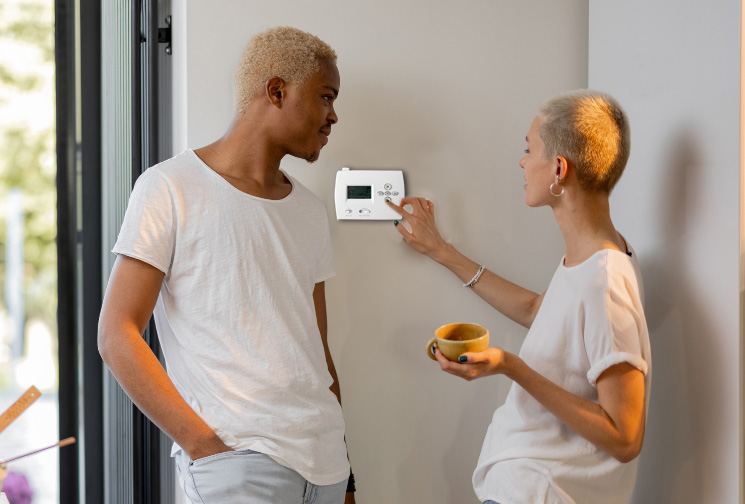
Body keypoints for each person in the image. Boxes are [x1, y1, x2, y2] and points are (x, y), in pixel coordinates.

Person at [98, 26, 355, 504]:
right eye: (325, 97)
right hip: (240, 465)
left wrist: (347, 474)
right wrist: (205, 448)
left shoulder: (310, 209)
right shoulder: (169, 187)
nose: (333, 116)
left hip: (327, 468)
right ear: (277, 90)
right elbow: (117, 334)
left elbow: (316, 351)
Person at [388, 90, 651, 504]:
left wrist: (512, 366)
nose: (522, 162)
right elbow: (537, 311)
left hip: (541, 491)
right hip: (526, 485)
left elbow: (624, 436)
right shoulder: (594, 256)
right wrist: (442, 251)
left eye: (529, 150)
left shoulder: (605, 280)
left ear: (559, 169)